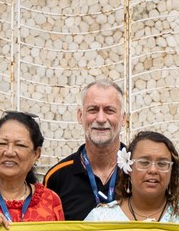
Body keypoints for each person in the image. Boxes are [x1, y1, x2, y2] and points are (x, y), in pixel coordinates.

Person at [42, 79, 128, 220]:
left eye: (109, 110)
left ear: (123, 118)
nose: (100, 118)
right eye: (93, 110)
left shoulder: (140, 172)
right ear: (80, 116)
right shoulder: (57, 177)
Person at [87, 130, 179, 225]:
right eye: (144, 162)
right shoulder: (101, 219)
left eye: (162, 163)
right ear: (129, 168)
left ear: (172, 171)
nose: (153, 170)